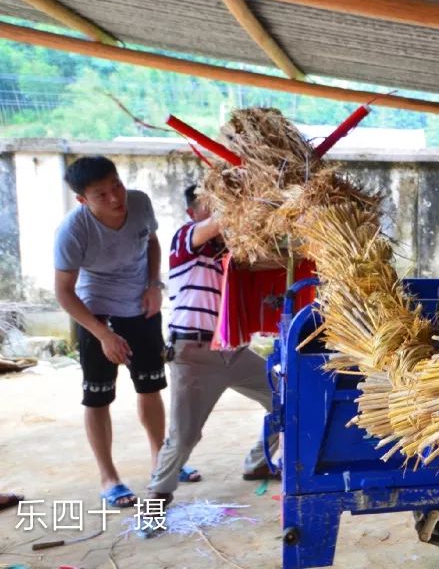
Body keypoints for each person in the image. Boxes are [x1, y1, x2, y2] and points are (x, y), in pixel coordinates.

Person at [147, 185, 279, 504]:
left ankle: (258, 463)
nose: (218, 211)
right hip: (193, 354)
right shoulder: (185, 239)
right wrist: (247, 200)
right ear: (192, 214)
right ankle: (156, 499)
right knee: (185, 436)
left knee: (285, 400)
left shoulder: (232, 253)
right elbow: (220, 221)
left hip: (232, 351)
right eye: (210, 206)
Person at [54, 156, 167, 508]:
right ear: (83, 200)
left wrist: (153, 284)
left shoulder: (140, 202)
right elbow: (63, 291)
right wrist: (102, 334)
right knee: (98, 395)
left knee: (151, 385)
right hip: (95, 311)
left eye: (116, 185)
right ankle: (109, 477)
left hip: (141, 306)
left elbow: (151, 242)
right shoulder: (73, 231)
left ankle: (161, 464)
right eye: (101, 195)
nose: (115, 198)